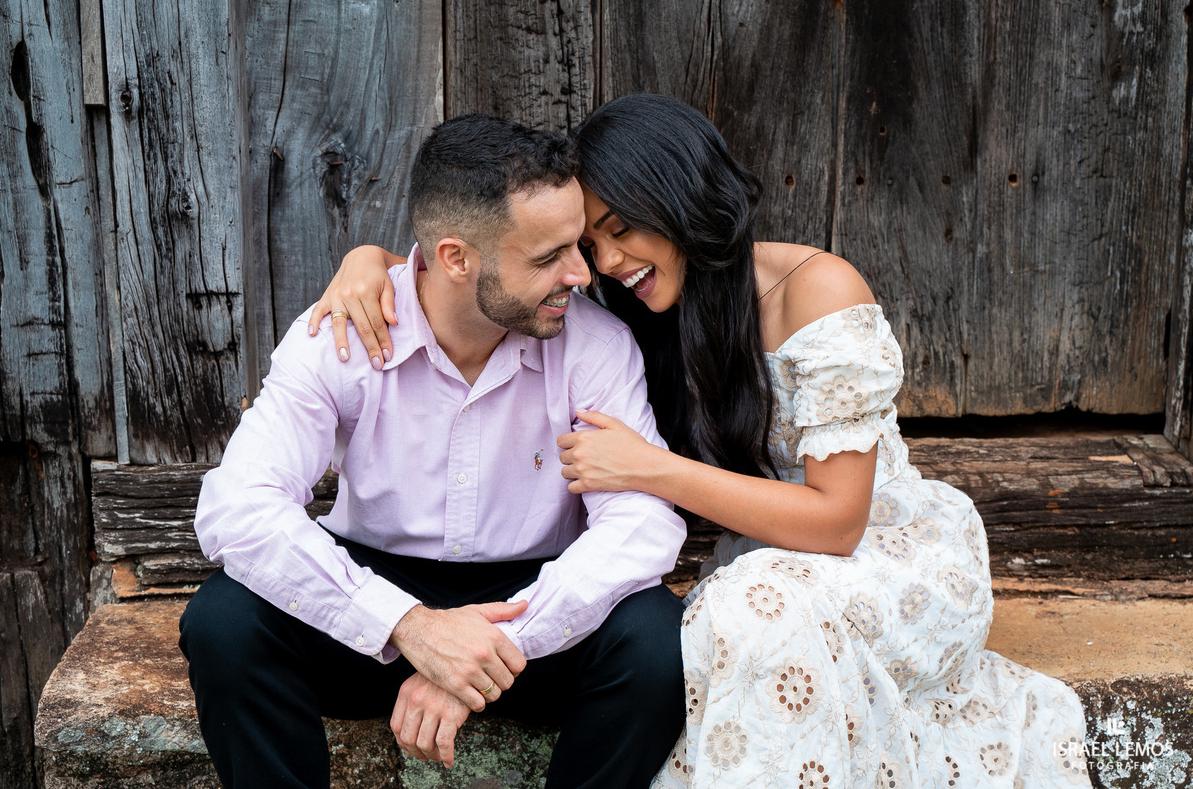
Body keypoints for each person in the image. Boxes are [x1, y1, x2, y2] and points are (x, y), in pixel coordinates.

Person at [312, 95, 1092, 788]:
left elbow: (838, 523)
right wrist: (365, 262)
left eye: (623, 231)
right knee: (722, 618)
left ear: (681, 201)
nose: (608, 263)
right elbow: (472, 268)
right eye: (591, 241)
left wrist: (653, 468)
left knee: (740, 618)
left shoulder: (815, 290)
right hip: (762, 571)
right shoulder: (633, 317)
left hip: (879, 560)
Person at [179, 113, 688, 789]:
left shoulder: (594, 346)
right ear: (455, 258)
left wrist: (496, 645)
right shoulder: (341, 334)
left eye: (579, 245)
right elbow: (237, 509)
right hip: (376, 604)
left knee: (657, 642)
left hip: (536, 606)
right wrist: (408, 626)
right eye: (548, 257)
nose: (581, 274)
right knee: (224, 623)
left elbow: (642, 524)